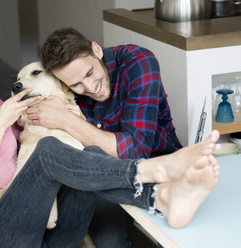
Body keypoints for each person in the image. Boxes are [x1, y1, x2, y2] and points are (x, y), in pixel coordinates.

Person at [0, 31, 220, 248]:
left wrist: (66, 116)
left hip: (49, 234)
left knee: (63, 151)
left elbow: (38, 154)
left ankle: (159, 197)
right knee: (49, 152)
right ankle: (152, 175)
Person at [28, 27, 183, 247]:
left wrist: (67, 121)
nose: (90, 87)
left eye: (90, 73)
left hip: (161, 170)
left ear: (96, 50)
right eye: (76, 85)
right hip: (100, 180)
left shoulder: (138, 62)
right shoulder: (61, 86)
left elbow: (134, 152)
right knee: (109, 241)